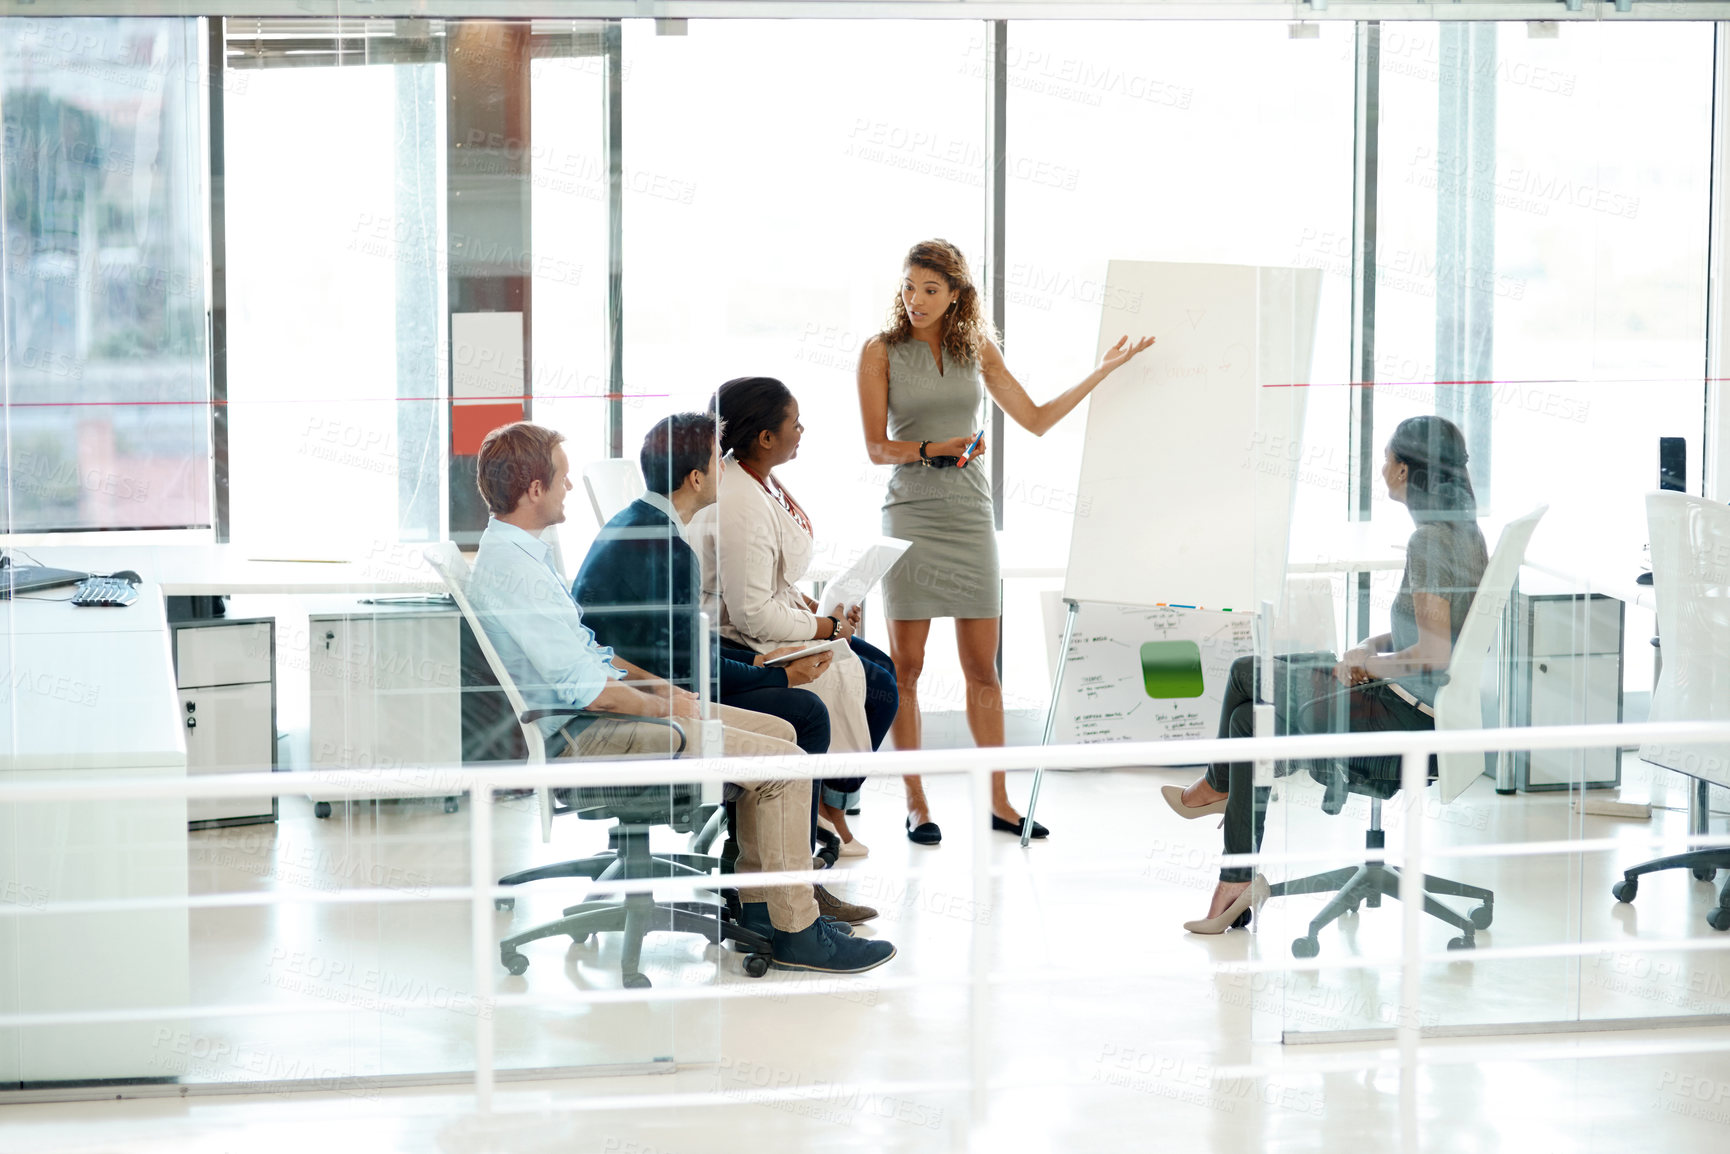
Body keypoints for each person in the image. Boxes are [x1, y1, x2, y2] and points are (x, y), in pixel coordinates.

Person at [467, 420, 895, 974]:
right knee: (786, 765)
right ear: (534, 490)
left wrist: (671, 693)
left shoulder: (523, 553)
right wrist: (671, 706)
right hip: (587, 732)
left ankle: (764, 908)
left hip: (598, 713)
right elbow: (589, 689)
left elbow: (593, 651)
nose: (569, 487)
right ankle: (797, 930)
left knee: (785, 733)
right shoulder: (514, 571)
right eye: (563, 479)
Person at [857, 238, 1155, 844]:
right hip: (910, 511)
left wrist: (1104, 370)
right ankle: (916, 802)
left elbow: (1038, 418)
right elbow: (875, 448)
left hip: (969, 513)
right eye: (909, 287)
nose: (916, 300)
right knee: (907, 670)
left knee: (982, 671)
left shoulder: (976, 350)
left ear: (957, 295)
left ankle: (998, 799)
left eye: (931, 290)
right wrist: (934, 448)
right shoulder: (879, 351)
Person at [1162, 415, 1489, 934]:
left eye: (1386, 460)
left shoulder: (1429, 541)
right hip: (1411, 708)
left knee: (1250, 674)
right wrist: (1364, 648)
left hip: (1395, 720)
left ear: (1405, 471)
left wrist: (1370, 666)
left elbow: (1433, 651)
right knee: (1250, 722)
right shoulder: (1464, 533)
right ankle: (1235, 875)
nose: (1382, 469)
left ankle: (1218, 789)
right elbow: (1434, 632)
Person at [572, 411, 876, 926]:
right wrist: (776, 676)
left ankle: (768, 877)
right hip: (650, 705)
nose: (724, 468)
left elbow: (689, 647)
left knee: (802, 703)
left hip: (649, 687)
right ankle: (782, 882)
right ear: (695, 478)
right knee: (806, 711)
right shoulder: (666, 547)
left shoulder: (640, 525)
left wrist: (757, 661)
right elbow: (691, 668)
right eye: (718, 461)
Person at [690, 377, 900, 855]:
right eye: (794, 423)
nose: (801, 430)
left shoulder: (754, 479)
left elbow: (761, 577)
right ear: (765, 438)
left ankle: (827, 807)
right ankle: (822, 806)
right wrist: (825, 627)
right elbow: (752, 616)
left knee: (882, 671)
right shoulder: (740, 502)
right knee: (879, 687)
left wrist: (806, 604)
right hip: (737, 640)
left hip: (757, 619)